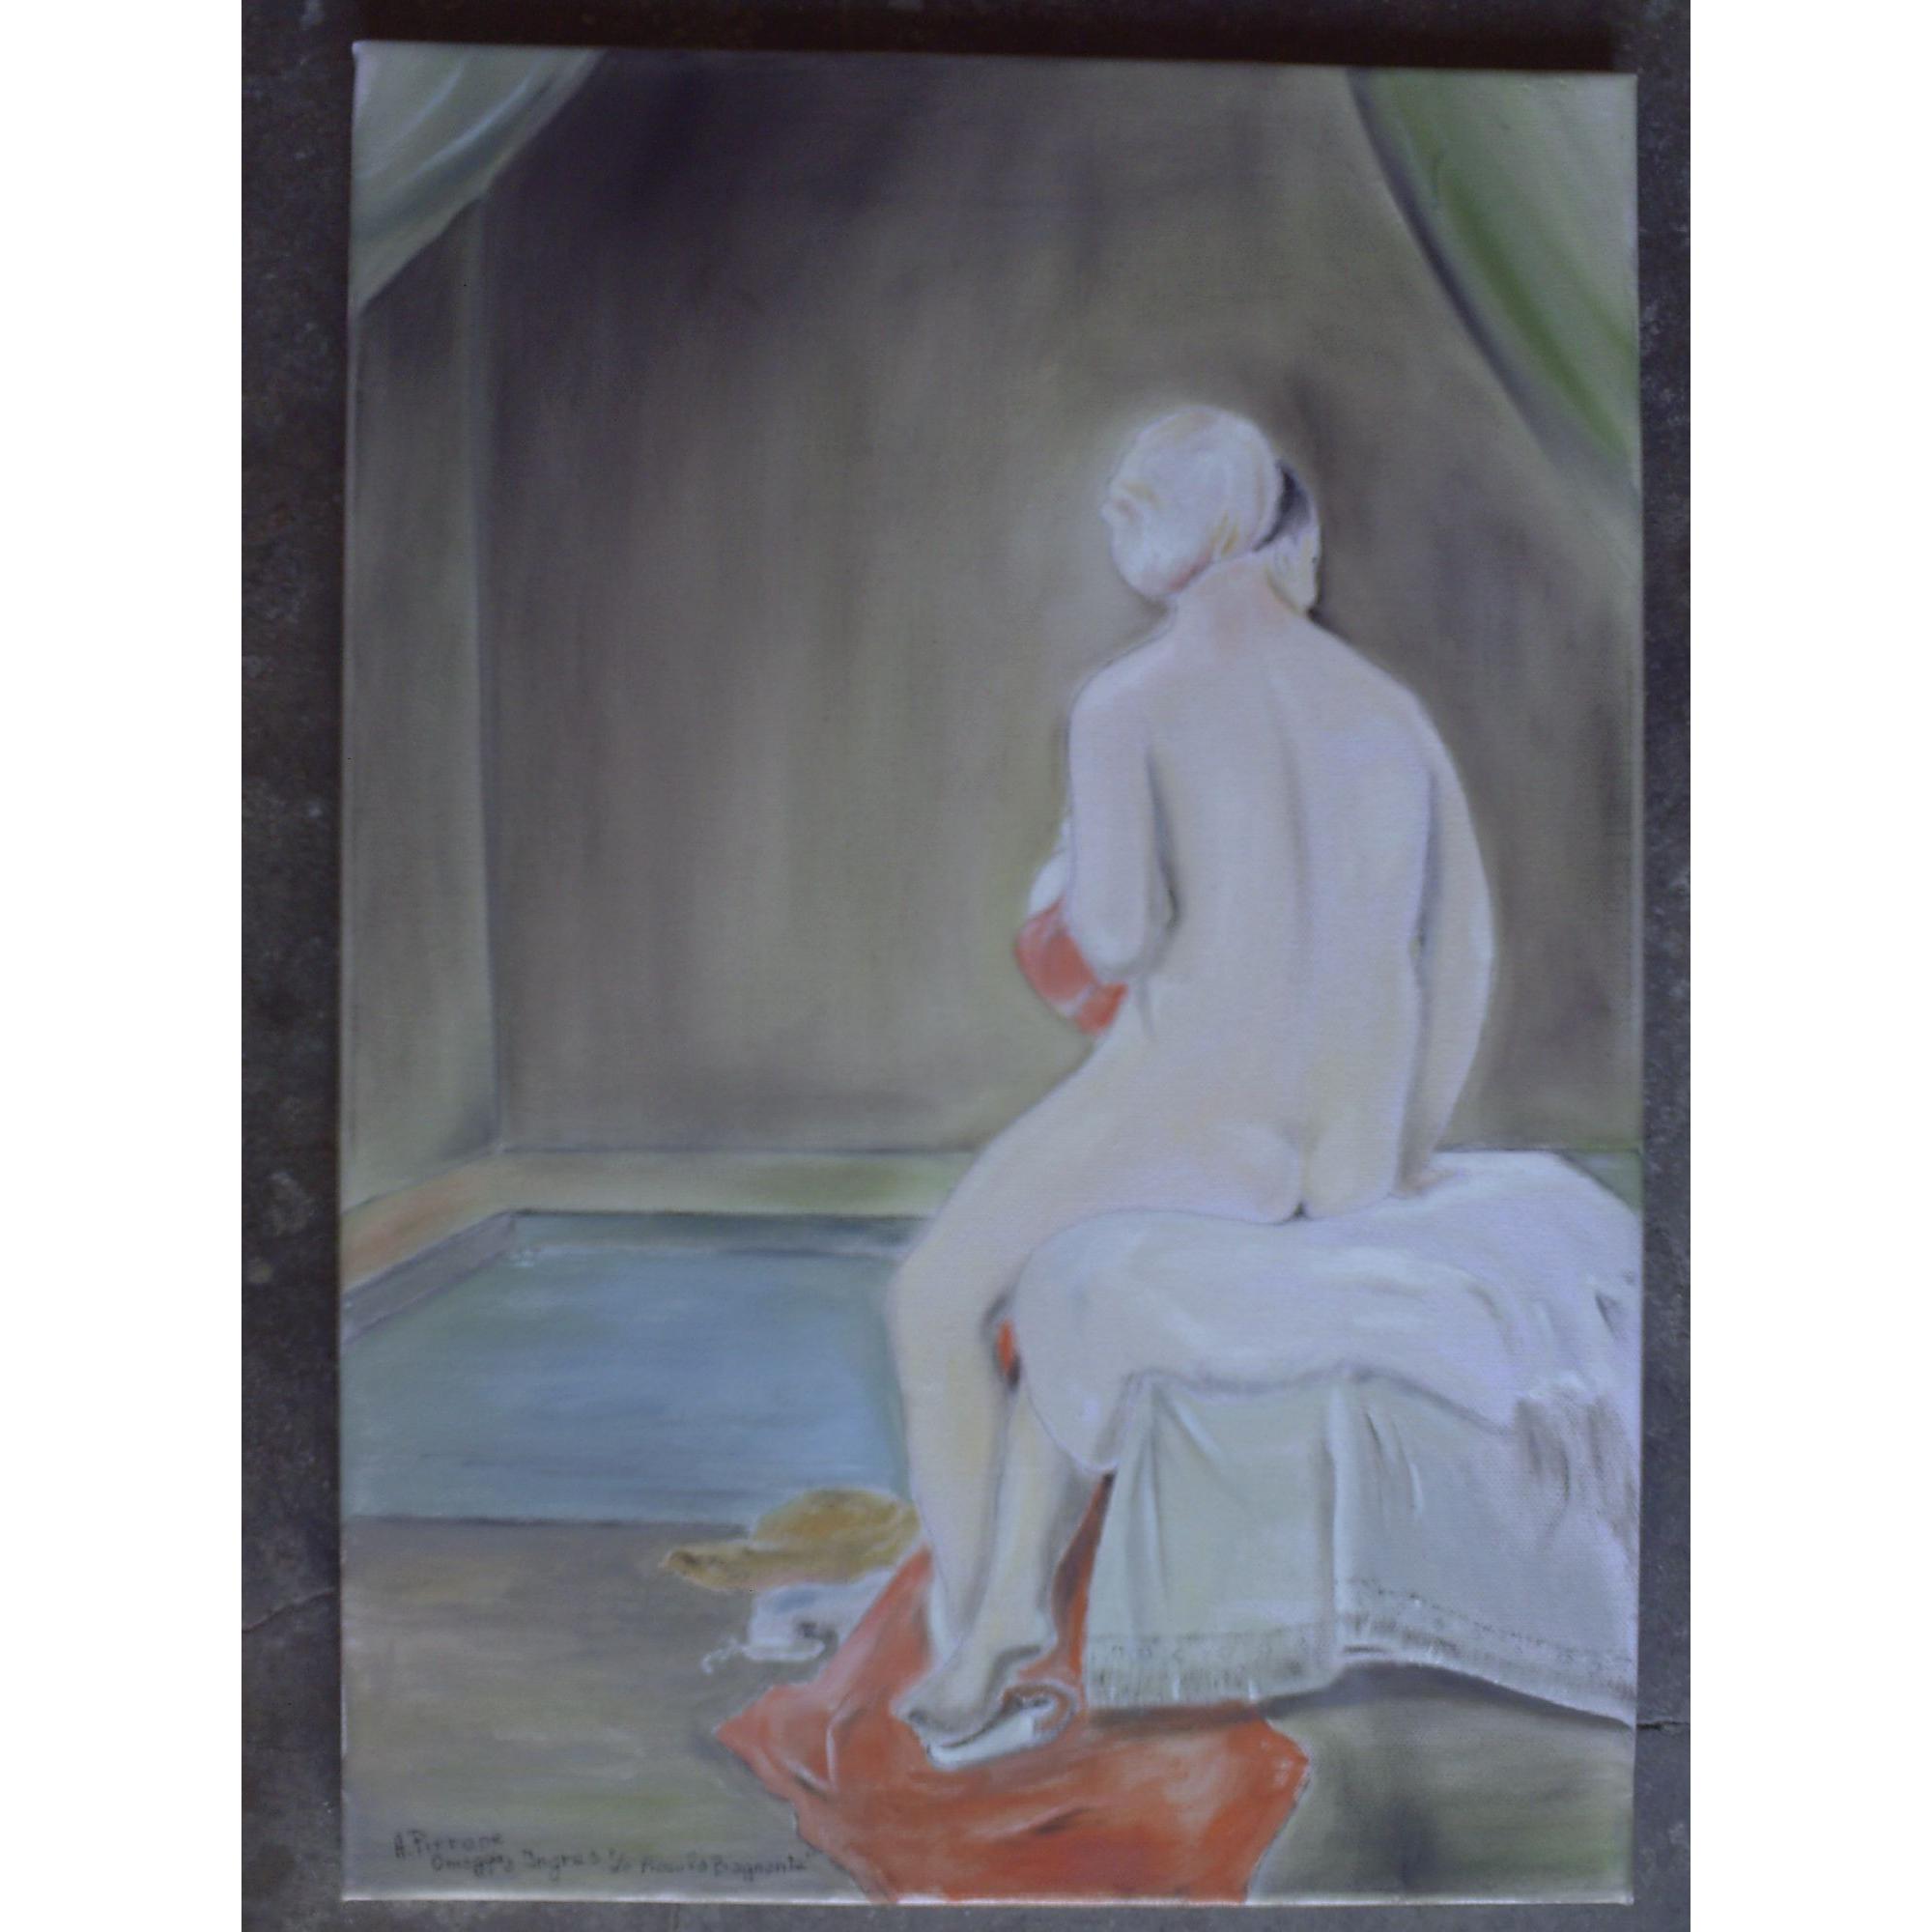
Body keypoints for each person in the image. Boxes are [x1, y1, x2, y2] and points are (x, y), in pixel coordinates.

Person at [889, 407, 1494, 1756]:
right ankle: (1005, 1613)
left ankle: (975, 1631)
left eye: (1130, 498)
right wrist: (1405, 1150)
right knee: (1058, 1287)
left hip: (1198, 1117)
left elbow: (1109, 942)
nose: (1111, 512)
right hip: (1348, 1144)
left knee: (932, 1298)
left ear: (1189, 524)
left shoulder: (1128, 704)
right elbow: (1462, 955)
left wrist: (1059, 879)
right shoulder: (1389, 713)